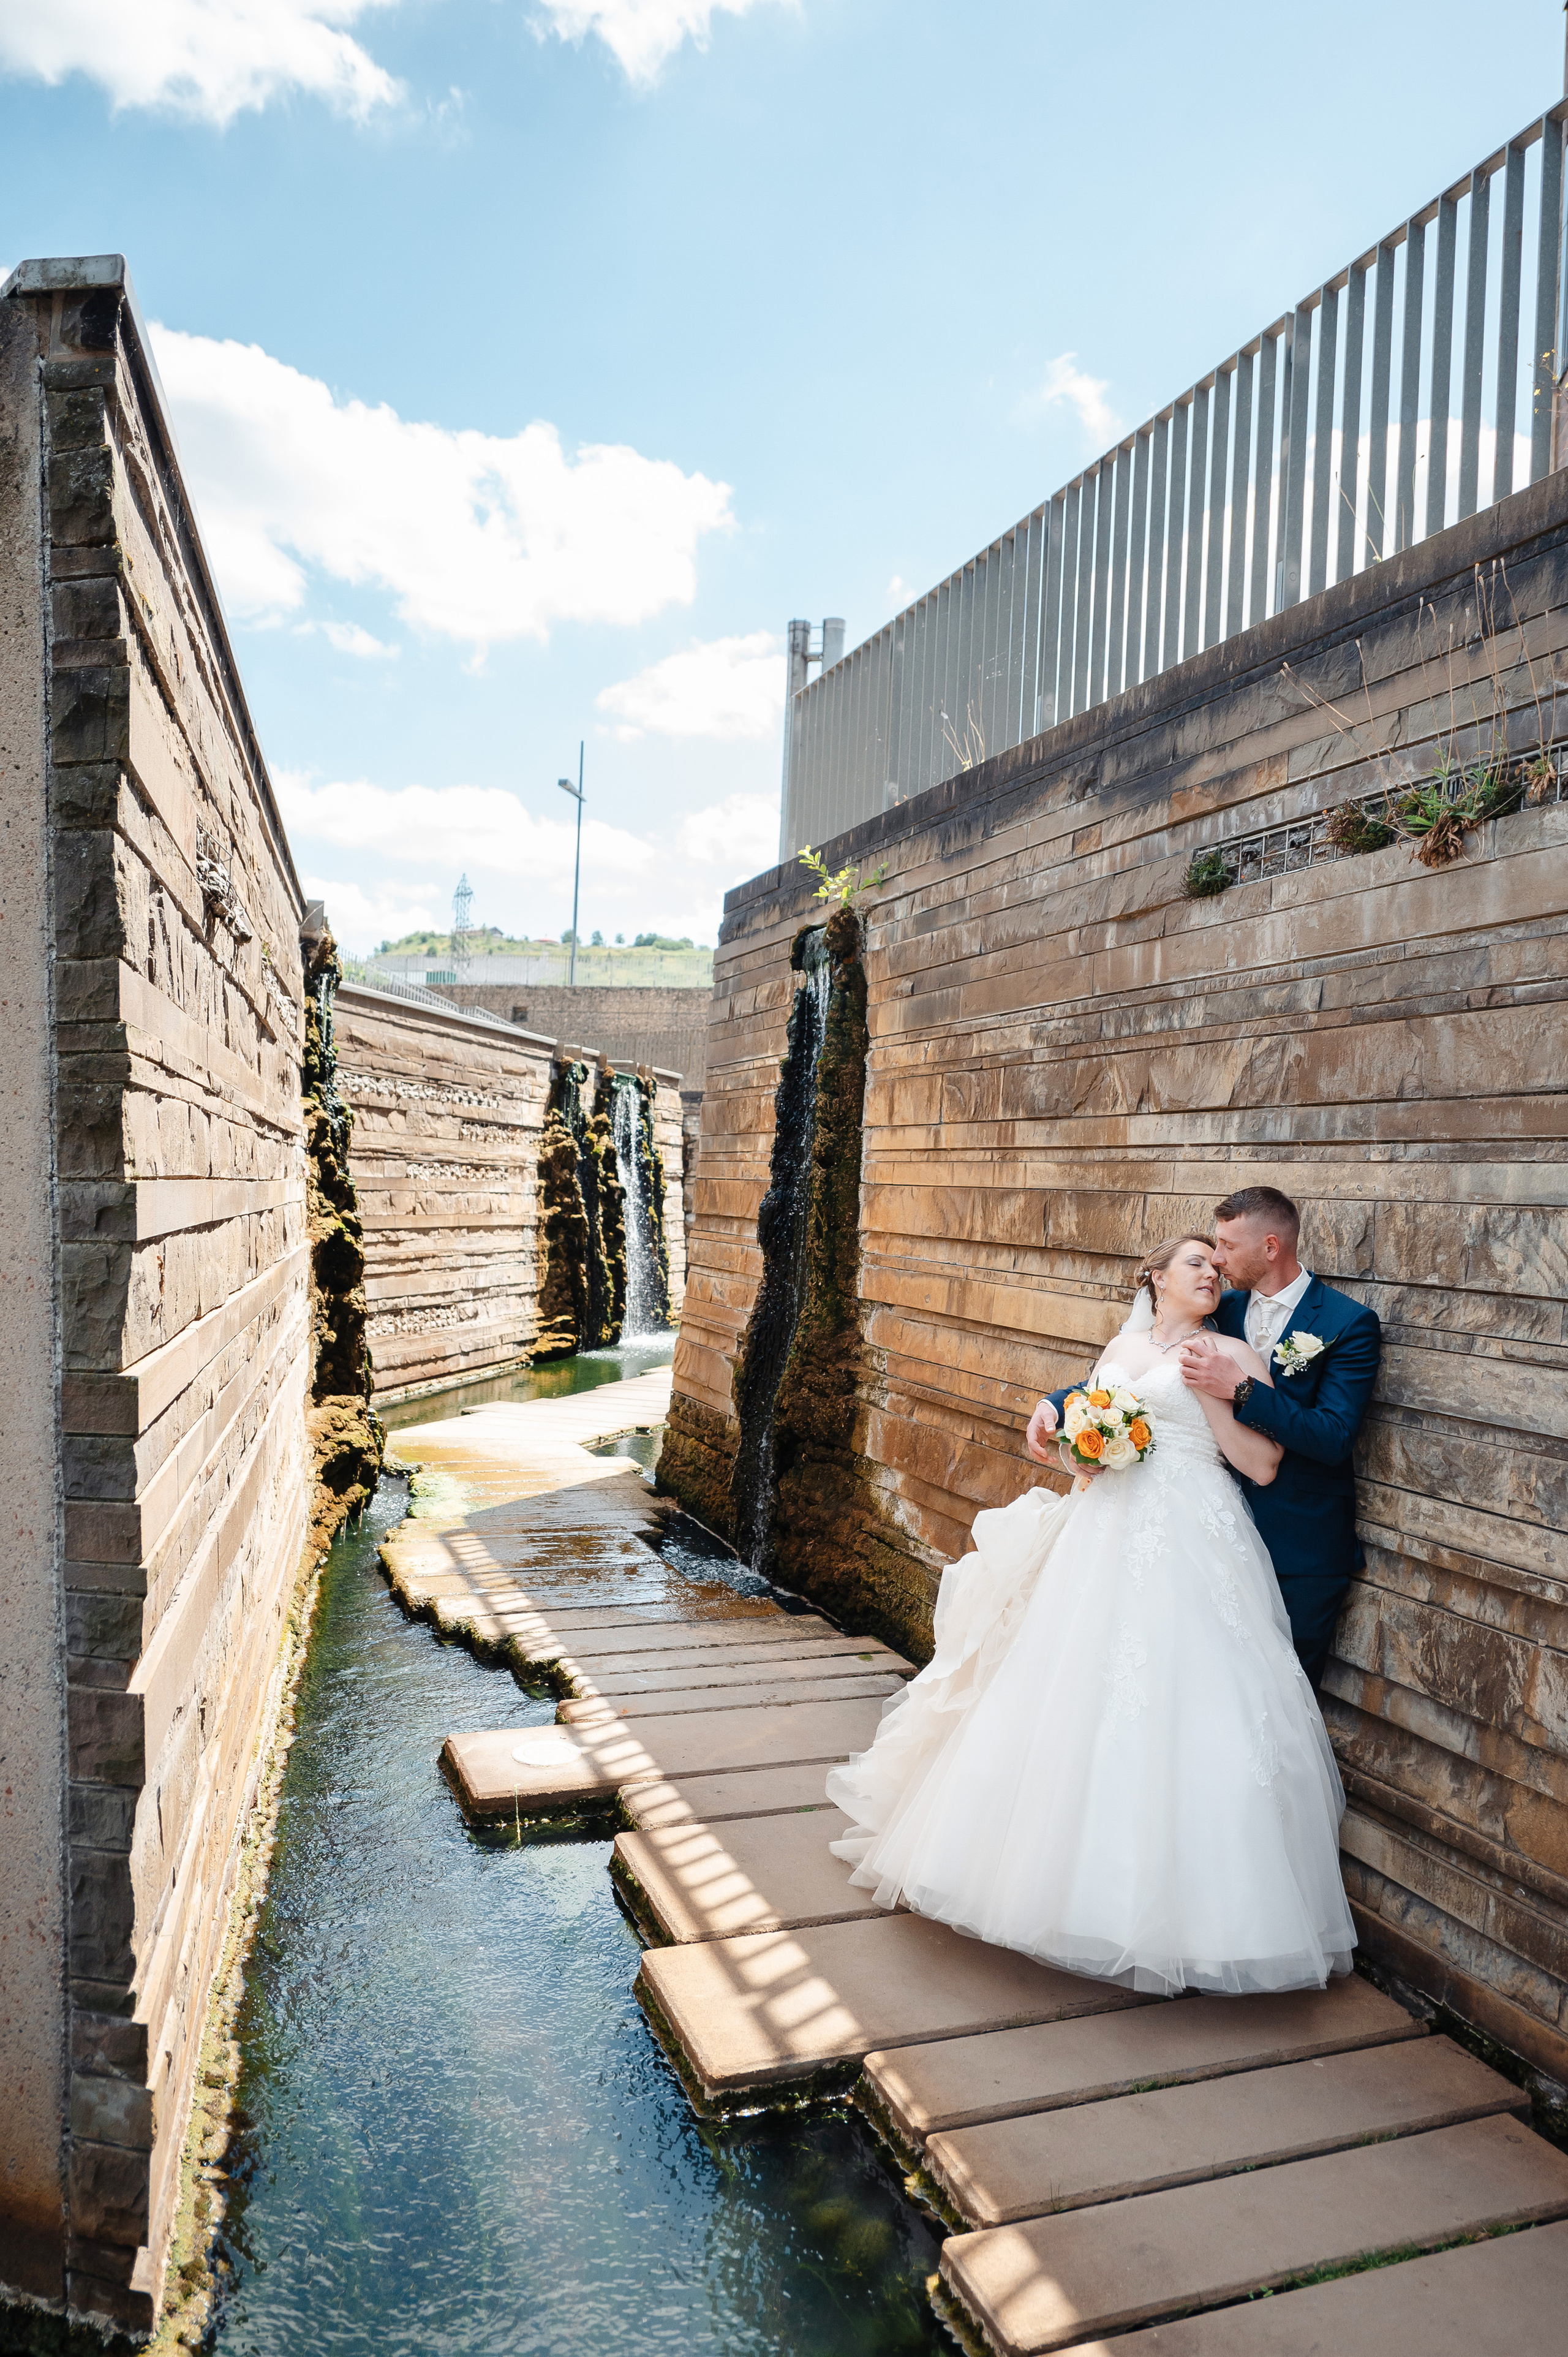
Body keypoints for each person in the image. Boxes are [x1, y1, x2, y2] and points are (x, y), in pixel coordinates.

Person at [827, 1235, 1355, 1997]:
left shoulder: (1232, 1352)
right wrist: (1080, 1447)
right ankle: (1025, 1878)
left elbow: (1260, 1464)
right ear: (1156, 1278)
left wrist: (1219, 1392)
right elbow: (1094, 1416)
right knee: (1059, 1682)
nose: (1211, 1272)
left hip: (1190, 1531)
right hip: (1100, 1526)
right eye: (1195, 1264)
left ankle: (1183, 1915)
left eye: (1216, 1264)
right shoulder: (1122, 1343)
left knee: (1183, 1700)